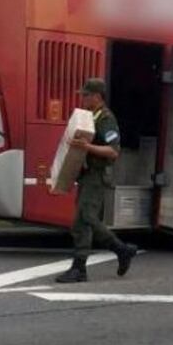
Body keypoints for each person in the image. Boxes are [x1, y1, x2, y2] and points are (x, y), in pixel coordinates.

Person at [56, 79, 138, 283]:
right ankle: (81, 268)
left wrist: (86, 148)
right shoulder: (90, 117)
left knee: (87, 218)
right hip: (87, 175)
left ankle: (120, 250)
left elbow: (113, 152)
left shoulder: (106, 119)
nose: (82, 98)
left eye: (86, 95)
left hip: (97, 176)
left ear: (97, 96)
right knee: (81, 222)